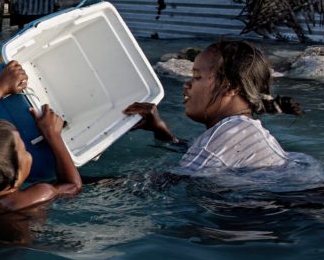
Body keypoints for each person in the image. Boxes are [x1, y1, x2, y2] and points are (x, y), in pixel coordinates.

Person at [124, 40, 303, 173]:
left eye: (197, 77)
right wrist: (162, 131)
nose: (186, 84)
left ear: (231, 87)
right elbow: (203, 155)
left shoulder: (225, 136)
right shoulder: (239, 130)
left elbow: (166, 183)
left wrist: (98, 184)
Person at [0, 61, 83, 214]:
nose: (28, 153)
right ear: (16, 177)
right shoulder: (34, 197)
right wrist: (53, 135)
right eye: (25, 150)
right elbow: (73, 186)